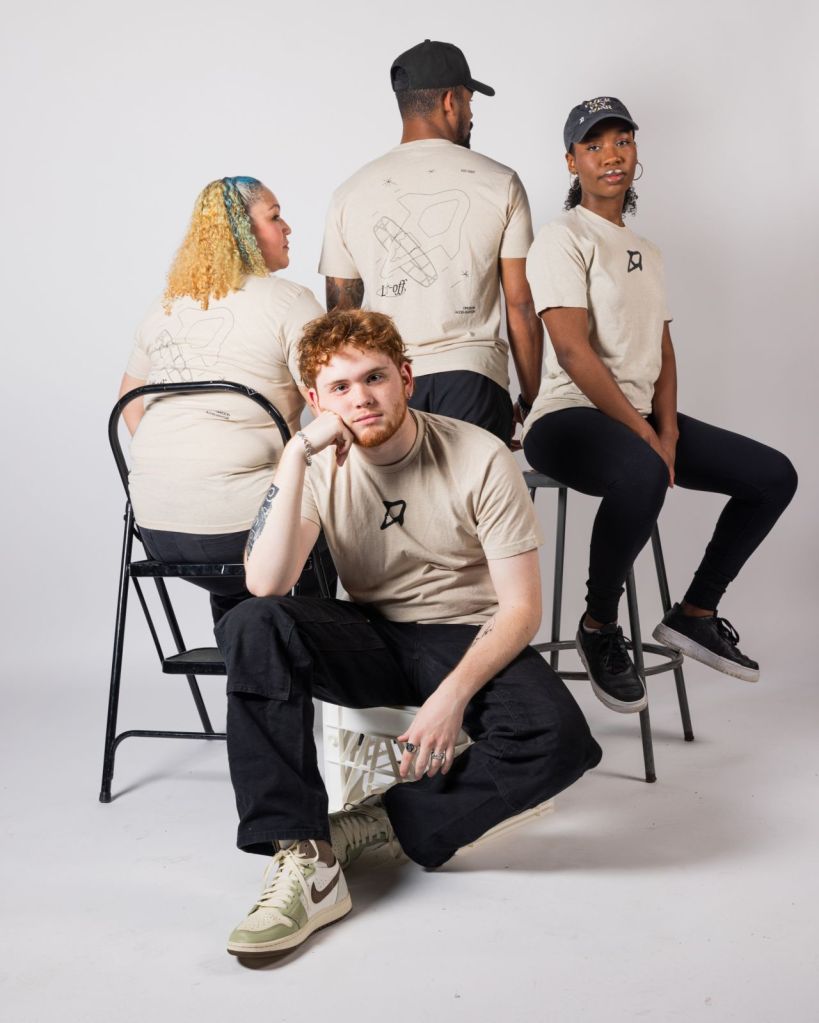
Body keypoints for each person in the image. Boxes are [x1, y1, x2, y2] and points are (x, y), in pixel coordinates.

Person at [215, 309, 601, 959]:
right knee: (253, 623)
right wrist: (295, 453)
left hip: (466, 632)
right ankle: (304, 854)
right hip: (371, 636)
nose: (361, 398)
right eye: (340, 387)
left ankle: (381, 822)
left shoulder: (477, 455)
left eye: (375, 377)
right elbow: (266, 581)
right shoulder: (317, 464)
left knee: (558, 740)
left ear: (406, 378)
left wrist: (450, 698)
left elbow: (521, 608)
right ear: (316, 400)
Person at [522, 97, 798, 714]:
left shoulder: (647, 248)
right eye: (594, 145)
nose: (611, 155)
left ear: (635, 152)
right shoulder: (562, 237)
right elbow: (571, 351)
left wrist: (666, 430)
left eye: (621, 141)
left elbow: (663, 349)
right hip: (566, 418)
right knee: (643, 469)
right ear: (571, 161)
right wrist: (644, 437)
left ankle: (695, 613)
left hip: (637, 419)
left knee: (773, 476)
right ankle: (598, 626)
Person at [119, 176, 325, 622]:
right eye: (275, 217)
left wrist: (189, 462)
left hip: (156, 530)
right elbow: (333, 402)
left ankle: (243, 650)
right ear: (243, 232)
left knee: (259, 531)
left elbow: (129, 401)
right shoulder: (290, 302)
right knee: (340, 506)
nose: (287, 227)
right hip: (245, 532)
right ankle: (305, 651)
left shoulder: (164, 306)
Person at [318, 39, 542, 445]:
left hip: (385, 383)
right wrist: (530, 401)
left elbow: (341, 317)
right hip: (474, 380)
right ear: (450, 101)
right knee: (475, 488)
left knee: (396, 490)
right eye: (470, 101)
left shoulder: (349, 193)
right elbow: (522, 305)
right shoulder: (501, 181)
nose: (471, 113)